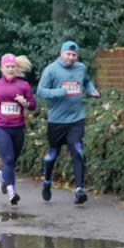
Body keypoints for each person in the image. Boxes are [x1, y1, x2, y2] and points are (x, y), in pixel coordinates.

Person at [36, 41, 101, 205]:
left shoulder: (81, 68)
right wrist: (59, 92)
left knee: (78, 150)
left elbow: (85, 82)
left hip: (76, 119)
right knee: (52, 155)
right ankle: (47, 182)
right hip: (57, 121)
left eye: (74, 55)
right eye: (68, 54)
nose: (71, 58)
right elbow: (40, 90)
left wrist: (91, 89)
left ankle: (79, 190)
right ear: (61, 53)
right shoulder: (51, 70)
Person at [0, 54, 37, 205]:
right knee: (9, 159)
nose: (10, 69)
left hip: (18, 127)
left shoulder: (23, 85)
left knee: (12, 162)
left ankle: (2, 177)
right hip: (1, 126)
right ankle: (12, 192)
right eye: (7, 66)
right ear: (2, 68)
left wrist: (25, 103)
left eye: (13, 66)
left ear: (16, 68)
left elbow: (33, 105)